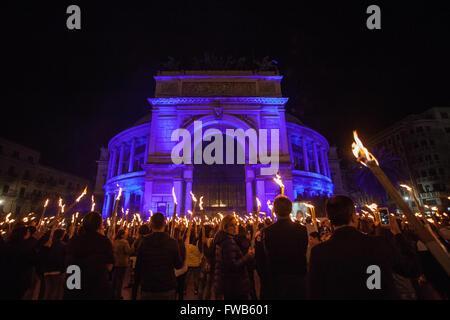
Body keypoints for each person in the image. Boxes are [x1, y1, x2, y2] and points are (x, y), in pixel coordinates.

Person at [308, 195, 415, 299]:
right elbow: (411, 268)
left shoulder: (319, 252)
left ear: (329, 219)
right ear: (353, 216)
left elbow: (315, 292)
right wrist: (398, 234)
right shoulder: (378, 244)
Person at [255, 195, 308, 300]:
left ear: (274, 211)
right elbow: (303, 252)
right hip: (297, 281)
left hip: (275, 282)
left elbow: (261, 259)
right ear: (290, 210)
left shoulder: (267, 232)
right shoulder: (301, 230)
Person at [65, 211, 114, 300]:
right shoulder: (104, 241)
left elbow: (68, 260)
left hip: (74, 281)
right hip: (96, 284)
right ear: (99, 225)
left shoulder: (74, 240)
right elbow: (109, 265)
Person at [135, 212, 182, 300]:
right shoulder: (172, 242)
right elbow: (178, 265)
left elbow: (138, 267)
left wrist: (135, 290)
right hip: (167, 287)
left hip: (148, 287)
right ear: (164, 224)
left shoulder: (144, 242)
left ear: (151, 225)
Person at [213, 214, 254, 300]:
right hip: (234, 284)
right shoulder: (228, 241)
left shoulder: (223, 239)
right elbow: (232, 265)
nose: (236, 227)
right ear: (226, 226)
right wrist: (248, 256)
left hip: (229, 283)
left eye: (236, 224)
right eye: (233, 225)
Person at [38, 228, 67, 300]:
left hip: (46, 271)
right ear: (62, 235)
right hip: (57, 271)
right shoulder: (62, 245)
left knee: (48, 291)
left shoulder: (48, 243)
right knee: (56, 292)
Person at [112, 229, 131, 300]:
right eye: (125, 233)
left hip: (115, 262)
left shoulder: (115, 241)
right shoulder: (124, 242)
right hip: (122, 263)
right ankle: (118, 295)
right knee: (120, 280)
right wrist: (133, 247)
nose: (126, 234)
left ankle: (112, 293)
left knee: (114, 279)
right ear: (122, 235)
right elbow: (128, 251)